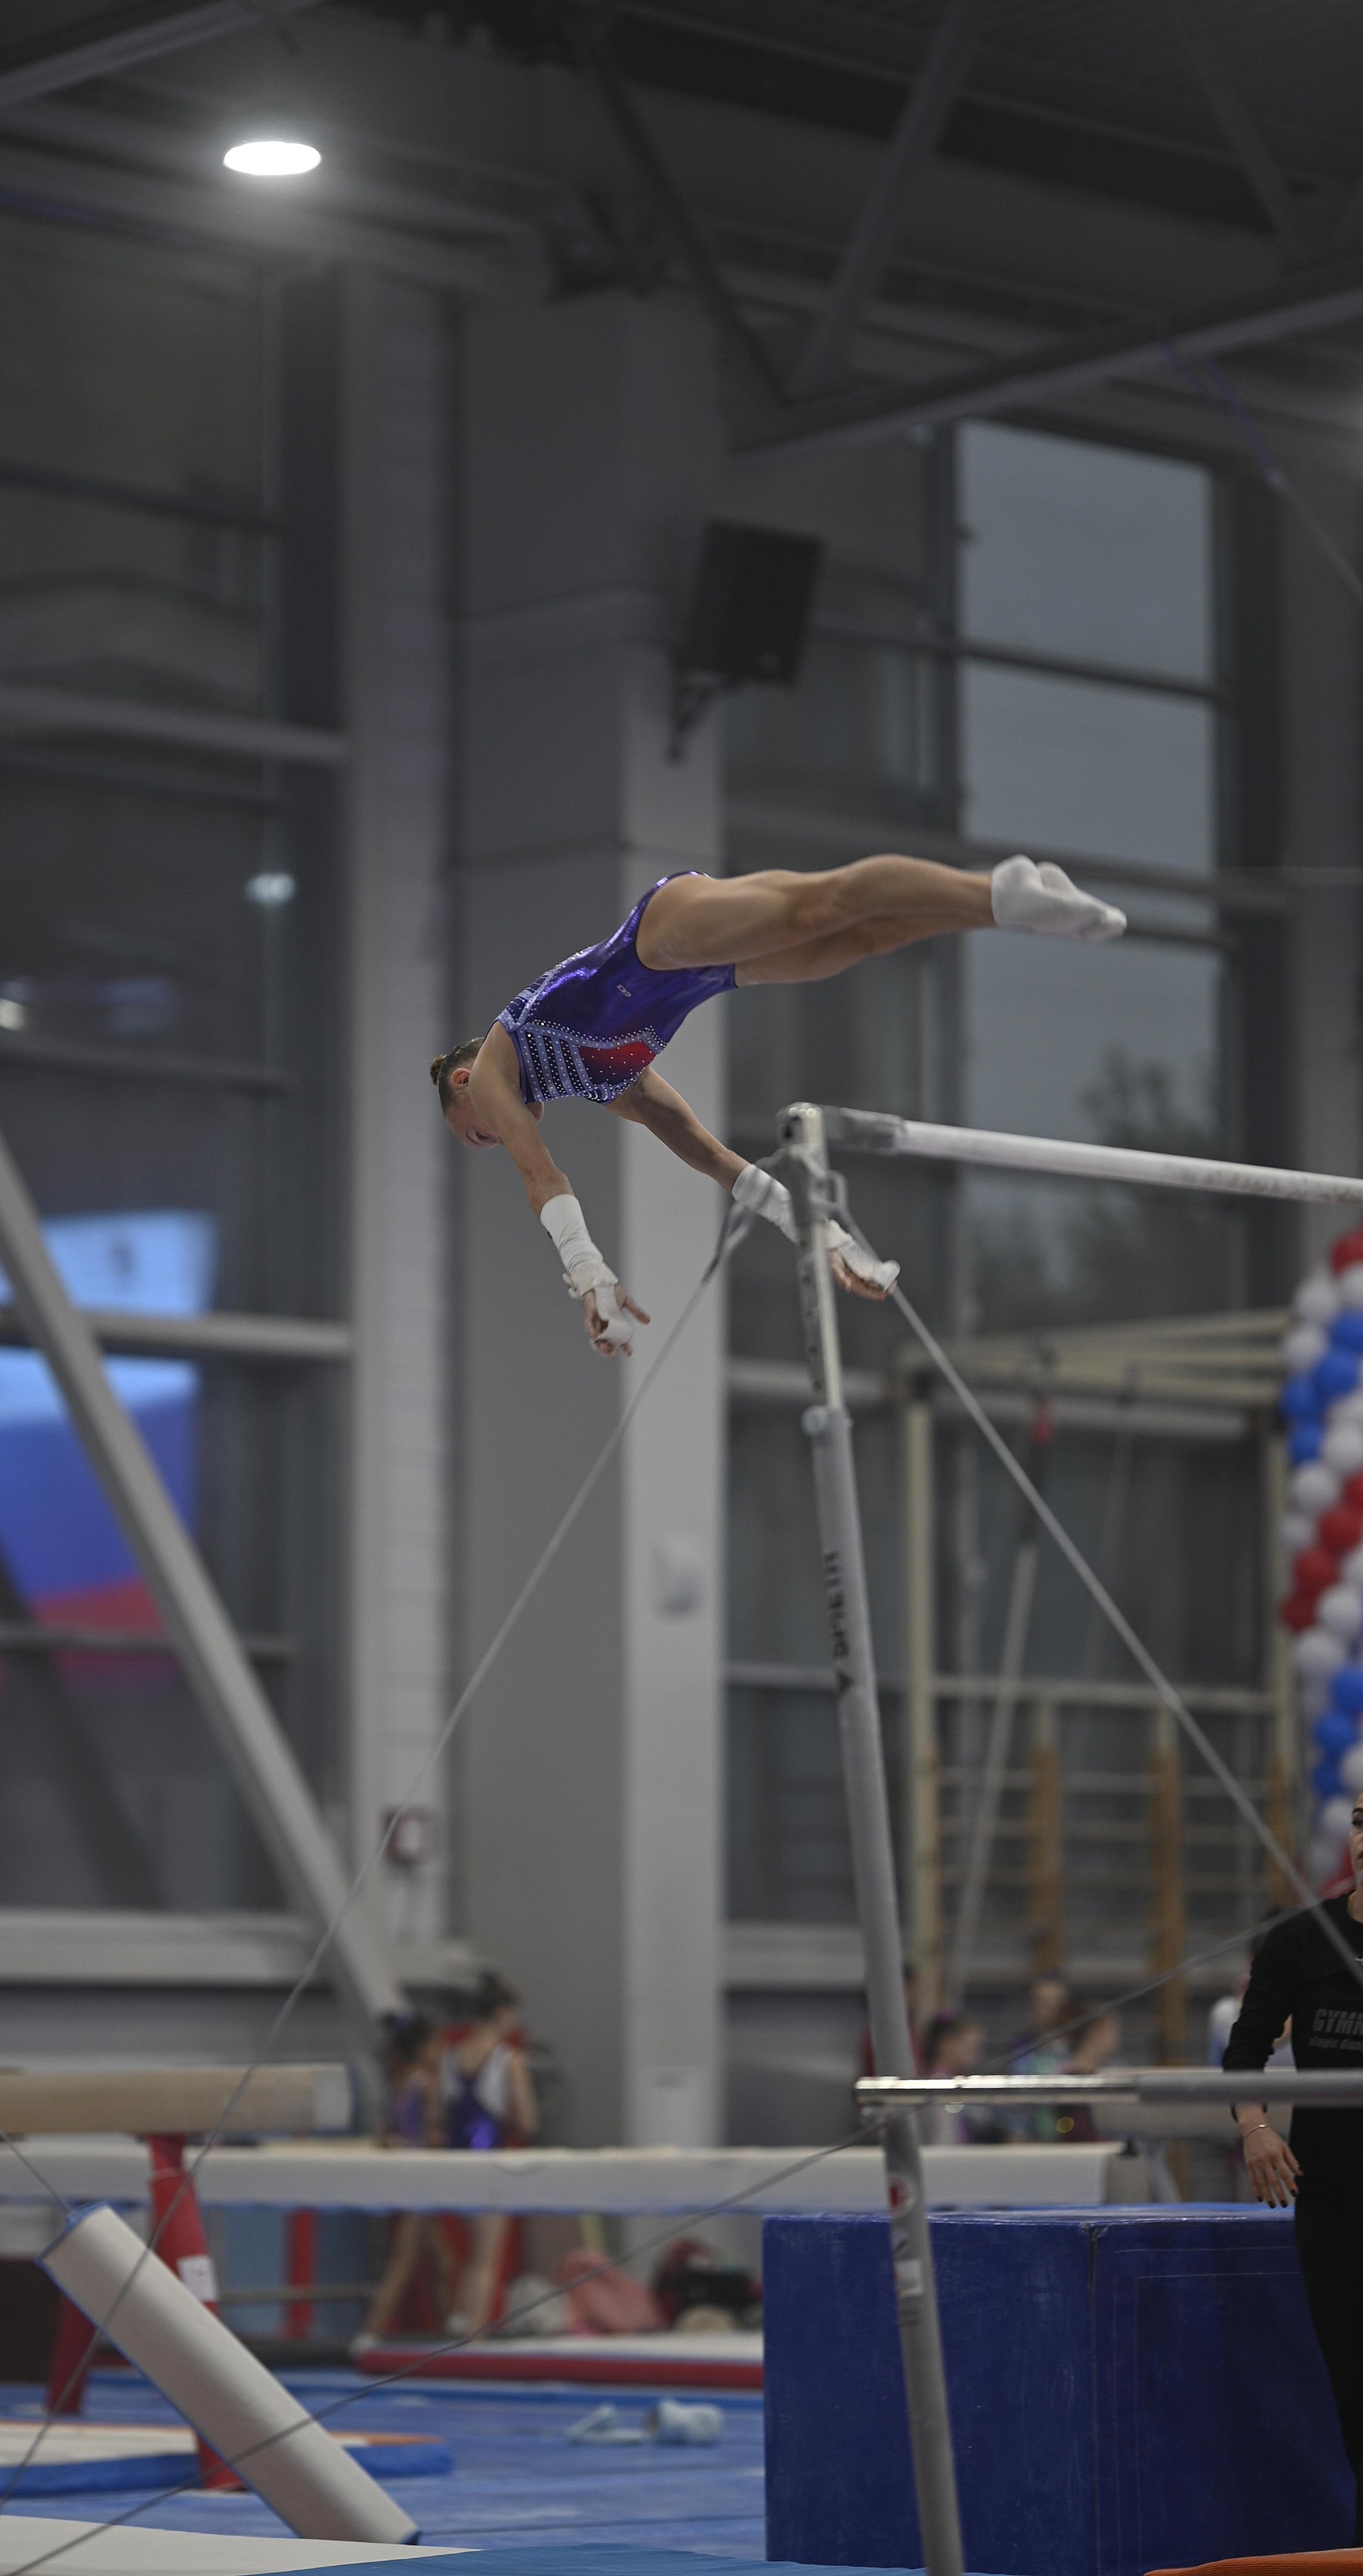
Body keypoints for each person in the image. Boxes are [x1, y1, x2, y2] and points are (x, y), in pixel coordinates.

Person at [432, 853, 1125, 1358]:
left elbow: (541, 1177)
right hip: (700, 970)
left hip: (661, 936)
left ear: (462, 1085)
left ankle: (998, 887)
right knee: (858, 939)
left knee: (822, 904)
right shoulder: (601, 1082)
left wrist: (589, 1277)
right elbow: (712, 1157)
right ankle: (1012, 904)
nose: (491, 1139)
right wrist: (815, 1228)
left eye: (476, 1137)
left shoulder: (495, 1064)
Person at [1223, 1810, 1363, 2542]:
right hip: (1332, 2200)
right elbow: (1243, 2052)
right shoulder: (1298, 1941)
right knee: (1352, 2388)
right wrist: (1254, 2128)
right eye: (1362, 1820)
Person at [353, 2016, 461, 2354]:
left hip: (408, 2180)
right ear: (423, 2048)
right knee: (403, 2263)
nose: (442, 2053)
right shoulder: (428, 2085)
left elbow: (383, 2139)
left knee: (444, 2263)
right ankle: (369, 2336)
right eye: (438, 2047)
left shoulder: (400, 2084)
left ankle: (451, 2334)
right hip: (423, 2182)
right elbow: (432, 2136)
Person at [441, 1973, 539, 2339]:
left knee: (470, 2258)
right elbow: (528, 2122)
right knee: (486, 2259)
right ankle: (475, 2338)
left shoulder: (451, 2056)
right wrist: (512, 2115)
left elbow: (441, 2116)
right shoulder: (508, 2059)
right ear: (502, 2012)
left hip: (454, 2165)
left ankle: (464, 2324)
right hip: (488, 2164)